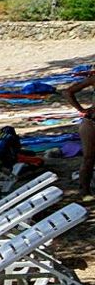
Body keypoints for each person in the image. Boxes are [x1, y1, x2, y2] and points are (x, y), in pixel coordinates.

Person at [66, 72, 95, 200]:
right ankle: (85, 192)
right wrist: (82, 110)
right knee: (89, 158)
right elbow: (68, 92)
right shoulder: (93, 79)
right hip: (91, 123)